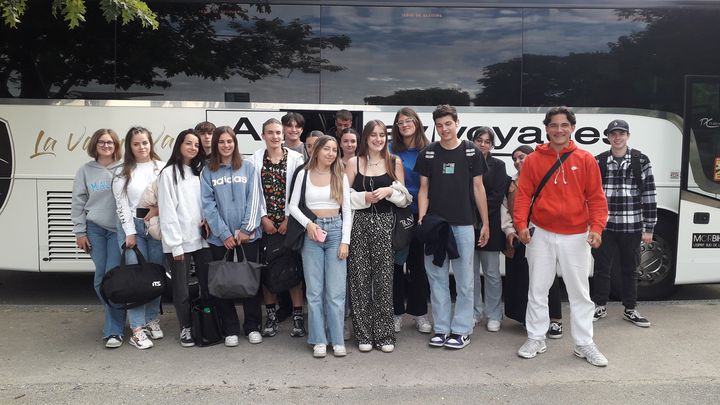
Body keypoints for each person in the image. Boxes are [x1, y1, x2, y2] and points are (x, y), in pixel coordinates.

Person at [513, 106, 609, 367]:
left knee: (580, 293)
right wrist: (521, 225)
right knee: (537, 289)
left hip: (576, 235)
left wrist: (597, 228)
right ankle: (536, 337)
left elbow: (597, 199)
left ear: (572, 128)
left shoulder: (586, 159)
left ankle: (584, 343)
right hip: (541, 233)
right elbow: (523, 196)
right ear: (546, 128)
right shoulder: (533, 160)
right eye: (553, 125)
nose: (558, 130)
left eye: (564, 125)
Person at [414, 104, 490, 350]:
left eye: (448, 124)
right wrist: (422, 220)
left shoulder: (471, 152)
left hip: (464, 225)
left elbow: (479, 188)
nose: (444, 129)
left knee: (465, 279)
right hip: (436, 227)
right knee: (436, 278)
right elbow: (423, 189)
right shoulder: (428, 153)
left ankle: (461, 330)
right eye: (439, 125)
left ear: (457, 123)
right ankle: (442, 328)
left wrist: (485, 223)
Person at [346, 120, 410, 354]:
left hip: (386, 225)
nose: (378, 139)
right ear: (366, 138)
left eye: (382, 135)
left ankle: (384, 334)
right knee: (360, 280)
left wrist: (390, 191)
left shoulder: (394, 162)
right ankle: (363, 333)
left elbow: (405, 199)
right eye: (373, 135)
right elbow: (344, 197)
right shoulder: (353, 162)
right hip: (359, 225)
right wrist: (363, 197)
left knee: (384, 281)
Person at [201, 125, 265, 347]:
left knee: (249, 281)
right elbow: (208, 205)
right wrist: (224, 233)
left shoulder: (247, 168)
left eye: (230, 141)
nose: (226, 145)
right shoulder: (208, 171)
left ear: (235, 143)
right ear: (216, 144)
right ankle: (230, 328)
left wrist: (247, 229)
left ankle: (253, 326)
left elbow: (255, 199)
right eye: (222, 142)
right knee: (223, 283)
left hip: (249, 236)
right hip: (221, 238)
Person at [288, 135, 352, 358]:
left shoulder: (340, 174)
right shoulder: (304, 174)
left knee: (335, 293)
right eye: (327, 149)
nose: (331, 153)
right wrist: (308, 225)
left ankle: (337, 339)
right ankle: (318, 340)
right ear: (317, 150)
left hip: (335, 232)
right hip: (312, 234)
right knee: (315, 292)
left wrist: (345, 241)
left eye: (334, 150)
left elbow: (347, 211)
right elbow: (293, 206)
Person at [592, 119, 656, 328]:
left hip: (632, 224)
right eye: (613, 134)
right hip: (605, 225)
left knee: (630, 269)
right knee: (602, 268)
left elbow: (649, 194)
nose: (617, 137)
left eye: (621, 133)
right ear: (608, 137)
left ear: (628, 136)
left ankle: (630, 309)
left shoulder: (640, 160)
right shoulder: (599, 161)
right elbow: (590, 195)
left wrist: (649, 228)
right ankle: (599, 306)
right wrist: (591, 224)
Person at [248, 118, 306, 338]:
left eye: (278, 132)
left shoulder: (296, 158)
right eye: (270, 132)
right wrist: (263, 217)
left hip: (289, 224)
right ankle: (271, 316)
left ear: (283, 136)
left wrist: (289, 218)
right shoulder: (254, 159)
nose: (275, 136)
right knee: (268, 272)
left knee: (293, 270)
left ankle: (298, 317)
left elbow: (299, 192)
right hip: (265, 226)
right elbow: (253, 193)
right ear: (263, 135)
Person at [501, 145, 565, 339]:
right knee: (521, 279)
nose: (518, 161)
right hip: (518, 238)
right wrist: (510, 230)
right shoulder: (510, 182)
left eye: (522, 157)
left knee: (546, 279)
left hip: (541, 236)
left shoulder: (544, 178)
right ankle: (527, 319)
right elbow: (504, 208)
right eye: (515, 159)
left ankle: (555, 320)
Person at [112, 126, 166, 350]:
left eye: (145, 142)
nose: (141, 147)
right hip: (132, 228)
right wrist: (129, 233)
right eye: (136, 144)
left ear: (150, 143)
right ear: (130, 147)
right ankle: (136, 329)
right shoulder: (121, 171)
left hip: (155, 226)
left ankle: (151, 319)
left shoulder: (162, 168)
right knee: (136, 280)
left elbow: (169, 198)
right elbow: (122, 205)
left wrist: (158, 211)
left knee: (154, 275)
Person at [157, 129, 211, 347]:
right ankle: (185, 327)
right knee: (181, 288)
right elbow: (167, 211)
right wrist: (175, 244)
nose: (193, 148)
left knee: (207, 285)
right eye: (189, 143)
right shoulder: (168, 174)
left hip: (203, 239)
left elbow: (206, 202)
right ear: (179, 145)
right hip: (179, 241)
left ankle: (206, 323)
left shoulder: (200, 171)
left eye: (196, 145)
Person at [71, 128, 124, 348]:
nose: (106, 145)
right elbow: (78, 202)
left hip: (118, 231)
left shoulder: (123, 168)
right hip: (95, 229)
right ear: (95, 145)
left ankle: (114, 330)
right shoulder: (85, 170)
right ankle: (116, 317)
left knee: (112, 276)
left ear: (115, 145)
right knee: (100, 278)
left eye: (110, 142)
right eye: (102, 142)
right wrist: (80, 232)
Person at [388, 107, 432, 334]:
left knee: (418, 266)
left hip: (421, 214)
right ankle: (396, 313)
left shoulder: (428, 149)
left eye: (408, 120)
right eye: (400, 122)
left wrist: (424, 216)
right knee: (396, 266)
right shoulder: (390, 149)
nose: (404, 125)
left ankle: (419, 313)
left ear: (417, 122)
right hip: (396, 214)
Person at [470, 127, 508, 332]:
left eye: (487, 141)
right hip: (467, 225)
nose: (483, 144)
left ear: (492, 145)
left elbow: (496, 195)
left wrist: (479, 213)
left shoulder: (499, 165)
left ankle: (494, 314)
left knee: (492, 273)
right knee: (471, 273)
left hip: (490, 225)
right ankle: (475, 312)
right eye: (479, 140)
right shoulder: (465, 163)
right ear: (473, 142)